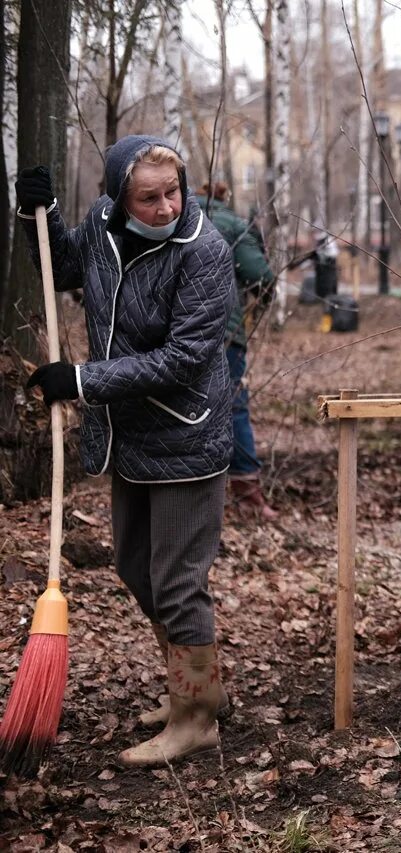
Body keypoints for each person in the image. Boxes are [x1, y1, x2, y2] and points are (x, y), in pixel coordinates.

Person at [18, 136, 235, 766]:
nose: (167, 206)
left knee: (176, 582)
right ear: (120, 198)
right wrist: (40, 212)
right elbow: (63, 267)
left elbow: (186, 358)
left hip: (187, 435)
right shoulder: (103, 227)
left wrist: (83, 381)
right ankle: (201, 688)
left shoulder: (205, 253)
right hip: (133, 434)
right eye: (150, 197)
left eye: (174, 191)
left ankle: (196, 718)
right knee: (135, 568)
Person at [196, 181, 278, 520]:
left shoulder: (174, 215)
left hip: (171, 331)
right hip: (224, 331)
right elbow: (260, 275)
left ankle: (194, 493)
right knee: (232, 406)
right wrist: (262, 302)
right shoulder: (231, 224)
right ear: (223, 197)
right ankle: (247, 495)